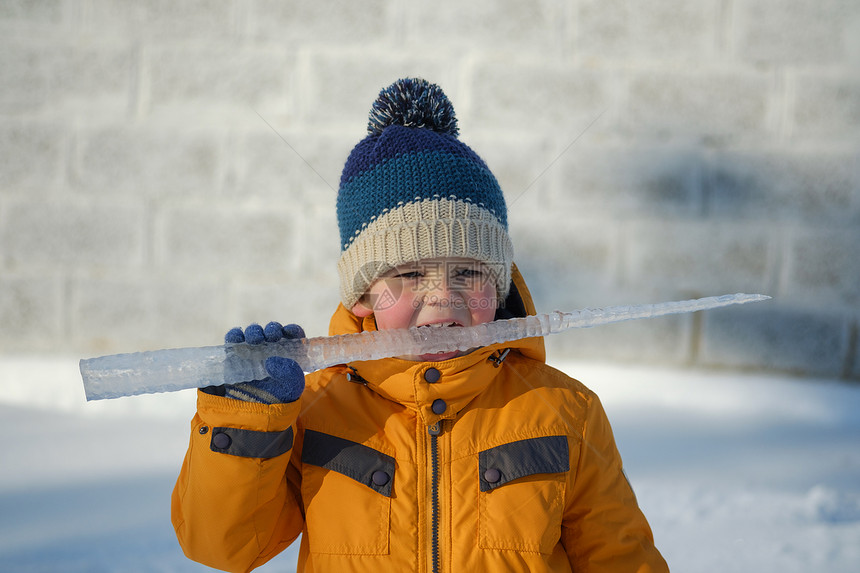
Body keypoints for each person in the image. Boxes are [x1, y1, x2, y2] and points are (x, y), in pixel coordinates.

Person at [171, 78, 669, 572]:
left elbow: (621, 558)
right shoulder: (316, 409)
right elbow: (223, 547)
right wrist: (247, 425)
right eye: (409, 274)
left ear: (498, 288)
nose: (442, 297)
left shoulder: (564, 412)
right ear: (363, 296)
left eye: (469, 272)